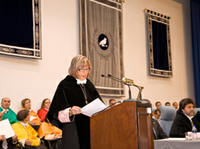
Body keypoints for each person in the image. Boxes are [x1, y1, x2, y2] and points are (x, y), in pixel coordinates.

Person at [47, 55, 102, 149]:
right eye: (81, 69)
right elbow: (55, 112)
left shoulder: (89, 84)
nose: (85, 72)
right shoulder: (65, 84)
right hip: (73, 129)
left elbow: (98, 103)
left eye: (87, 69)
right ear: (74, 69)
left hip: (91, 127)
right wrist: (70, 112)